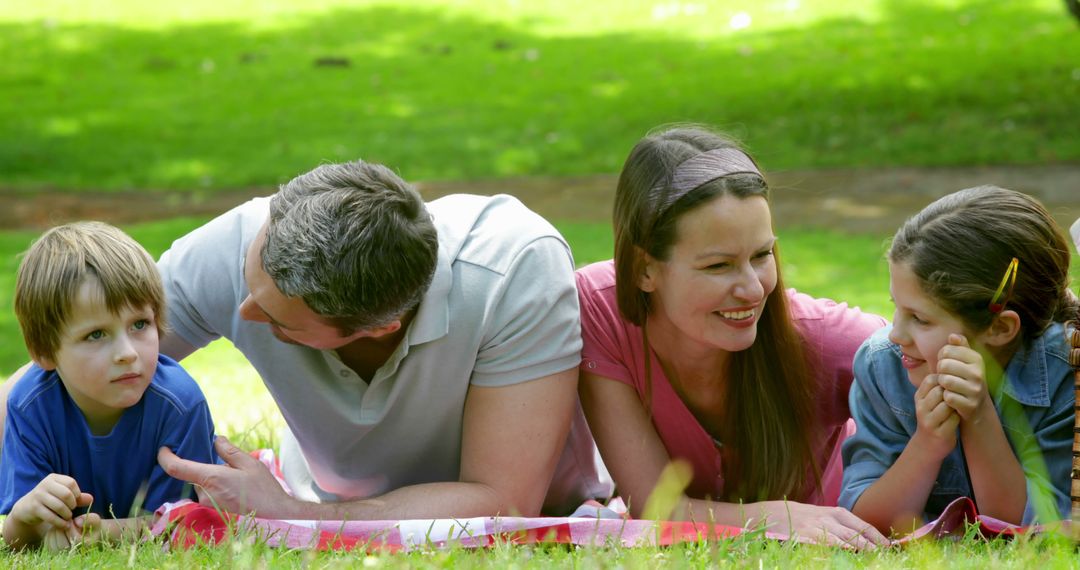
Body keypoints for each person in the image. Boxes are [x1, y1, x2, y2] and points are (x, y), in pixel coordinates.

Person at [107, 159, 605, 519]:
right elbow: (68, 354)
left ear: (379, 326)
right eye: (249, 280)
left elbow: (503, 500)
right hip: (323, 492)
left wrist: (287, 512)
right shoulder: (233, 245)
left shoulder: (511, 271)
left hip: (542, 499)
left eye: (280, 321)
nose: (244, 311)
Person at [576, 126, 888, 547]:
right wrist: (771, 517)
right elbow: (657, 506)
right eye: (718, 266)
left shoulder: (832, 338)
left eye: (762, 256)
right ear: (643, 270)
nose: (754, 289)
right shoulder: (599, 311)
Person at [839, 186, 1077, 535]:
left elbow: (1030, 531)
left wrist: (978, 415)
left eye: (920, 319)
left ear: (999, 327)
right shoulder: (884, 366)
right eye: (896, 307)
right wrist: (927, 445)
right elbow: (866, 526)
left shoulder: (1063, 371)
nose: (896, 335)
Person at [0, 222, 219, 550]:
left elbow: (186, 522)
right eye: (96, 335)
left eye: (140, 324)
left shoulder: (180, 404)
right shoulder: (31, 405)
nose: (128, 354)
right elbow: (16, 538)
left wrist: (108, 533)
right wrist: (27, 516)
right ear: (45, 352)